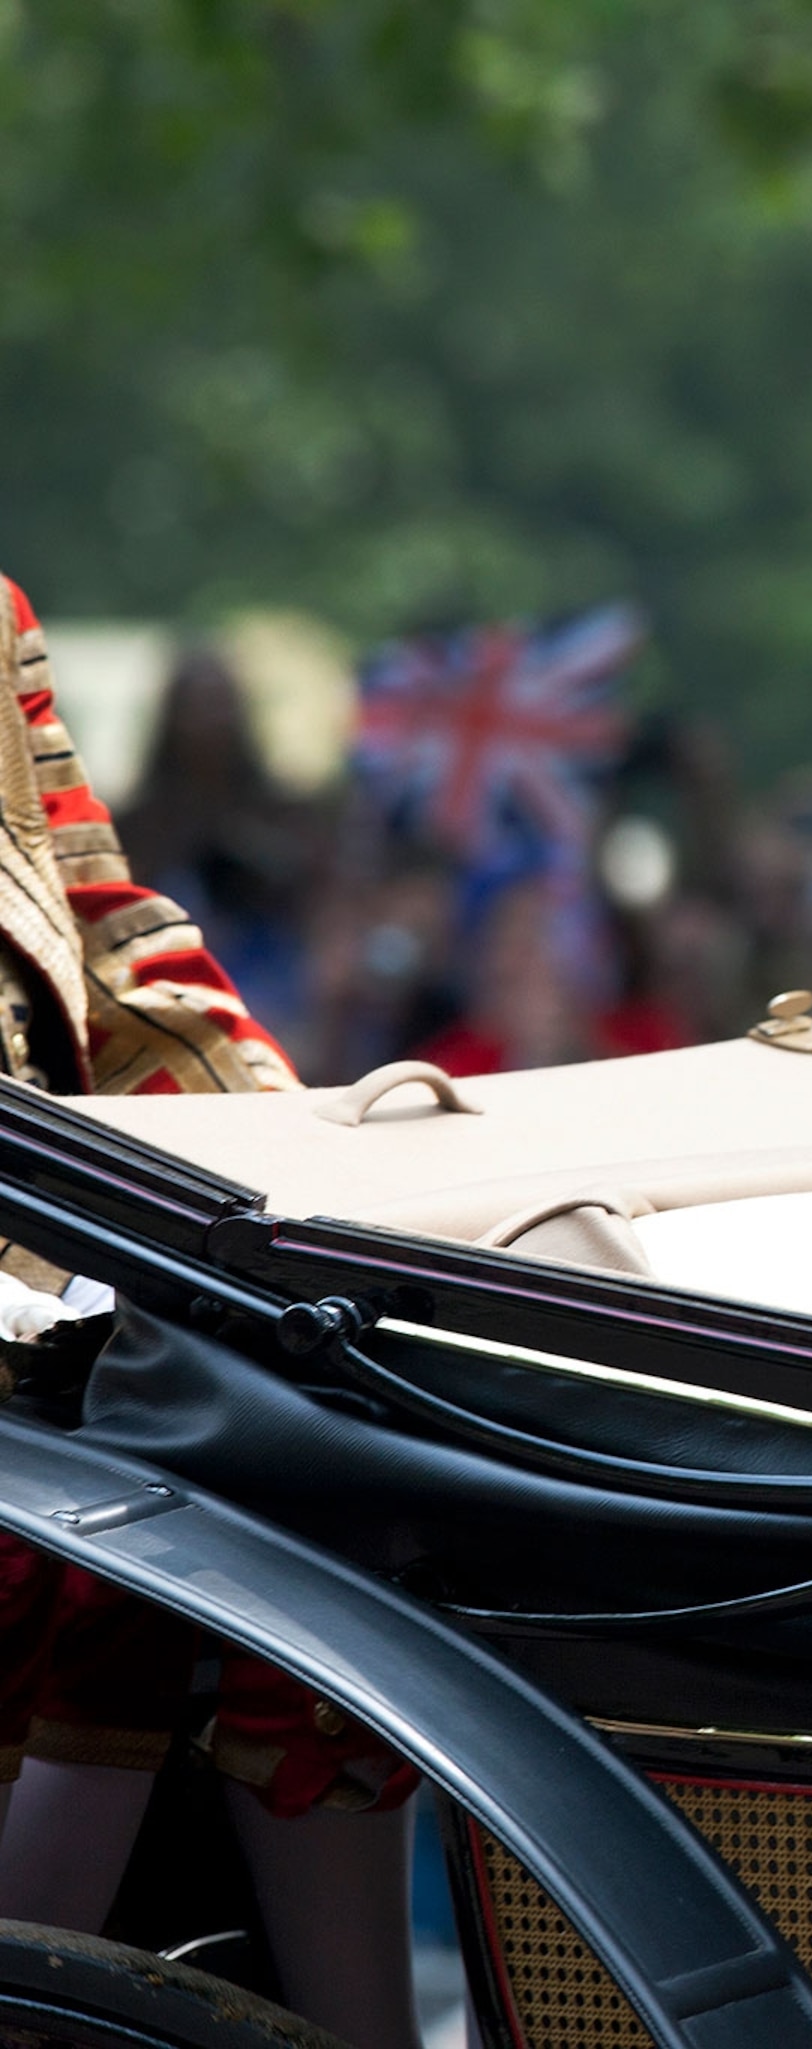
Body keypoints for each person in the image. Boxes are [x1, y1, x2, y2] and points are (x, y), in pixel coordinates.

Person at [0, 575, 421, 2049]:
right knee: (125, 1551)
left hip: (32, 1303)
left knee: (316, 1468)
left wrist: (302, 1174)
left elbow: (108, 952)